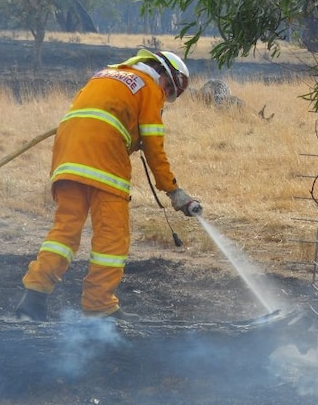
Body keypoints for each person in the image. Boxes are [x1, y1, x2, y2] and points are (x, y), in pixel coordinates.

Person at [15, 48, 202, 322]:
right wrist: (173, 190)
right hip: (104, 160)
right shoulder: (149, 86)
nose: (164, 94)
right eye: (169, 88)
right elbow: (153, 145)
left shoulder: (104, 75)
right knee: (111, 237)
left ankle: (33, 299)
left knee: (65, 230)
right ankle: (99, 307)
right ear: (163, 74)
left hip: (67, 157)